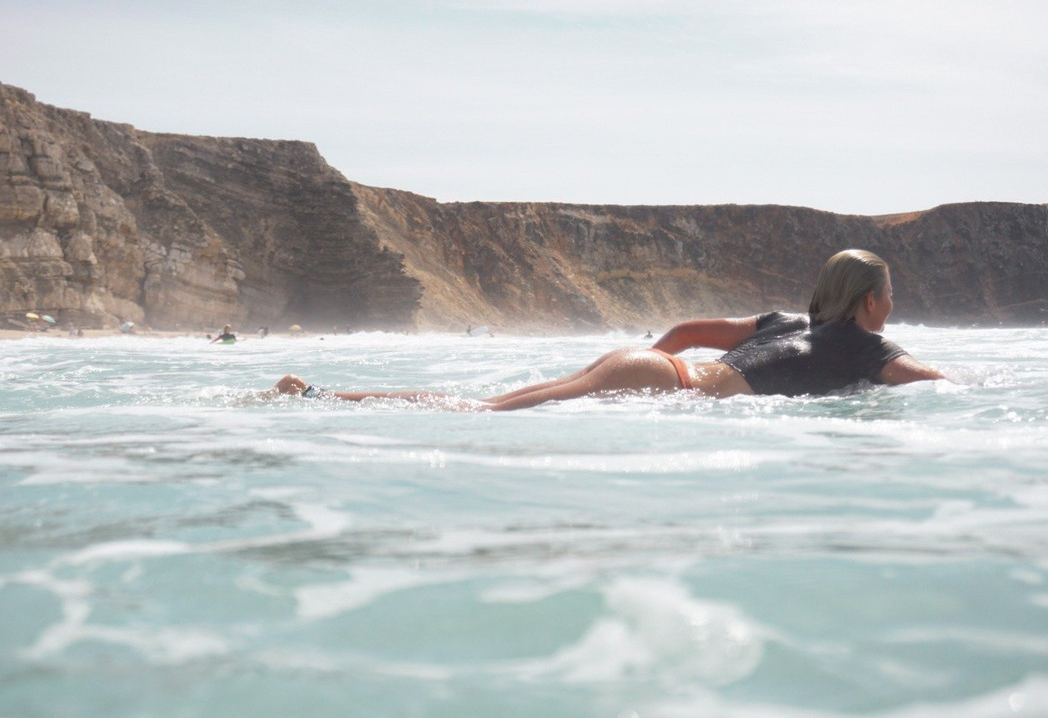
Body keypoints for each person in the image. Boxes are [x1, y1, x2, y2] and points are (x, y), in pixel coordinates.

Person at [267, 250, 944, 411]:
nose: (892, 304)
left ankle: (322, 394)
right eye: (889, 294)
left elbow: (683, 328)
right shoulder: (873, 349)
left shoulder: (778, 321)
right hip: (664, 380)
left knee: (487, 405)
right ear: (871, 301)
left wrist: (646, 363)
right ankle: (319, 396)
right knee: (483, 411)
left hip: (651, 366)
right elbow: (941, 386)